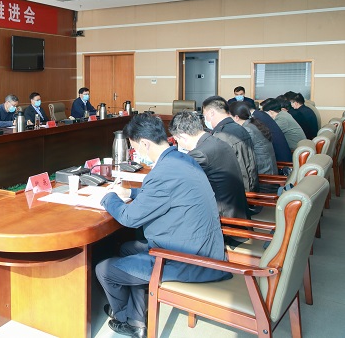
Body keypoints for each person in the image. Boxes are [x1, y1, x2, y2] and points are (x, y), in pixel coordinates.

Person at [96, 113, 229, 338]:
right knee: (127, 249)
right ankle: (136, 316)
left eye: (134, 147)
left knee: (104, 270)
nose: (136, 153)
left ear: (145, 143)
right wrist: (131, 193)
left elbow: (129, 218)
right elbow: (166, 193)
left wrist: (108, 197)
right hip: (200, 245)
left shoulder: (163, 172)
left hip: (188, 259)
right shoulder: (181, 159)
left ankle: (126, 319)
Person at [169, 111, 250, 233]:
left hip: (224, 222)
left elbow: (177, 181)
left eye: (176, 140)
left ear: (183, 136)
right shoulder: (216, 141)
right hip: (236, 212)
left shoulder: (200, 153)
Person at [202, 96, 259, 193]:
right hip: (248, 185)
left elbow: (217, 170)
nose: (205, 119)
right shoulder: (239, 128)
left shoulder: (222, 135)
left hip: (236, 191)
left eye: (204, 116)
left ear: (211, 112)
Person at [229, 101, 278, 178]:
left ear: (236, 117)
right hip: (267, 170)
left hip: (263, 175)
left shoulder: (247, 129)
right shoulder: (252, 124)